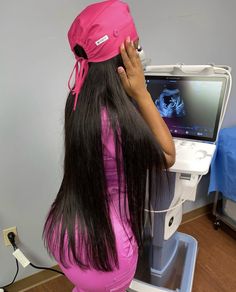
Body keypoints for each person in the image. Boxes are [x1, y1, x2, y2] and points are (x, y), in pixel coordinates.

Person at [43, 1, 175, 291]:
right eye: (136, 50)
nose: (140, 58)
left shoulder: (77, 98)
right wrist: (141, 93)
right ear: (124, 58)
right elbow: (167, 155)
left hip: (65, 234)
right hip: (108, 252)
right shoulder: (119, 121)